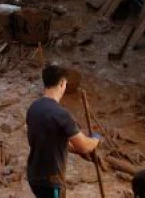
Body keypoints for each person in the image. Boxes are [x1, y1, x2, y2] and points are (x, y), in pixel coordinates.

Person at [26, 64, 100, 197]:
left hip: (34, 176)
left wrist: (71, 147)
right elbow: (84, 146)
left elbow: (45, 140)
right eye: (65, 83)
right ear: (61, 84)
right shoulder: (61, 114)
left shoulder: (33, 108)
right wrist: (96, 139)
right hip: (51, 181)